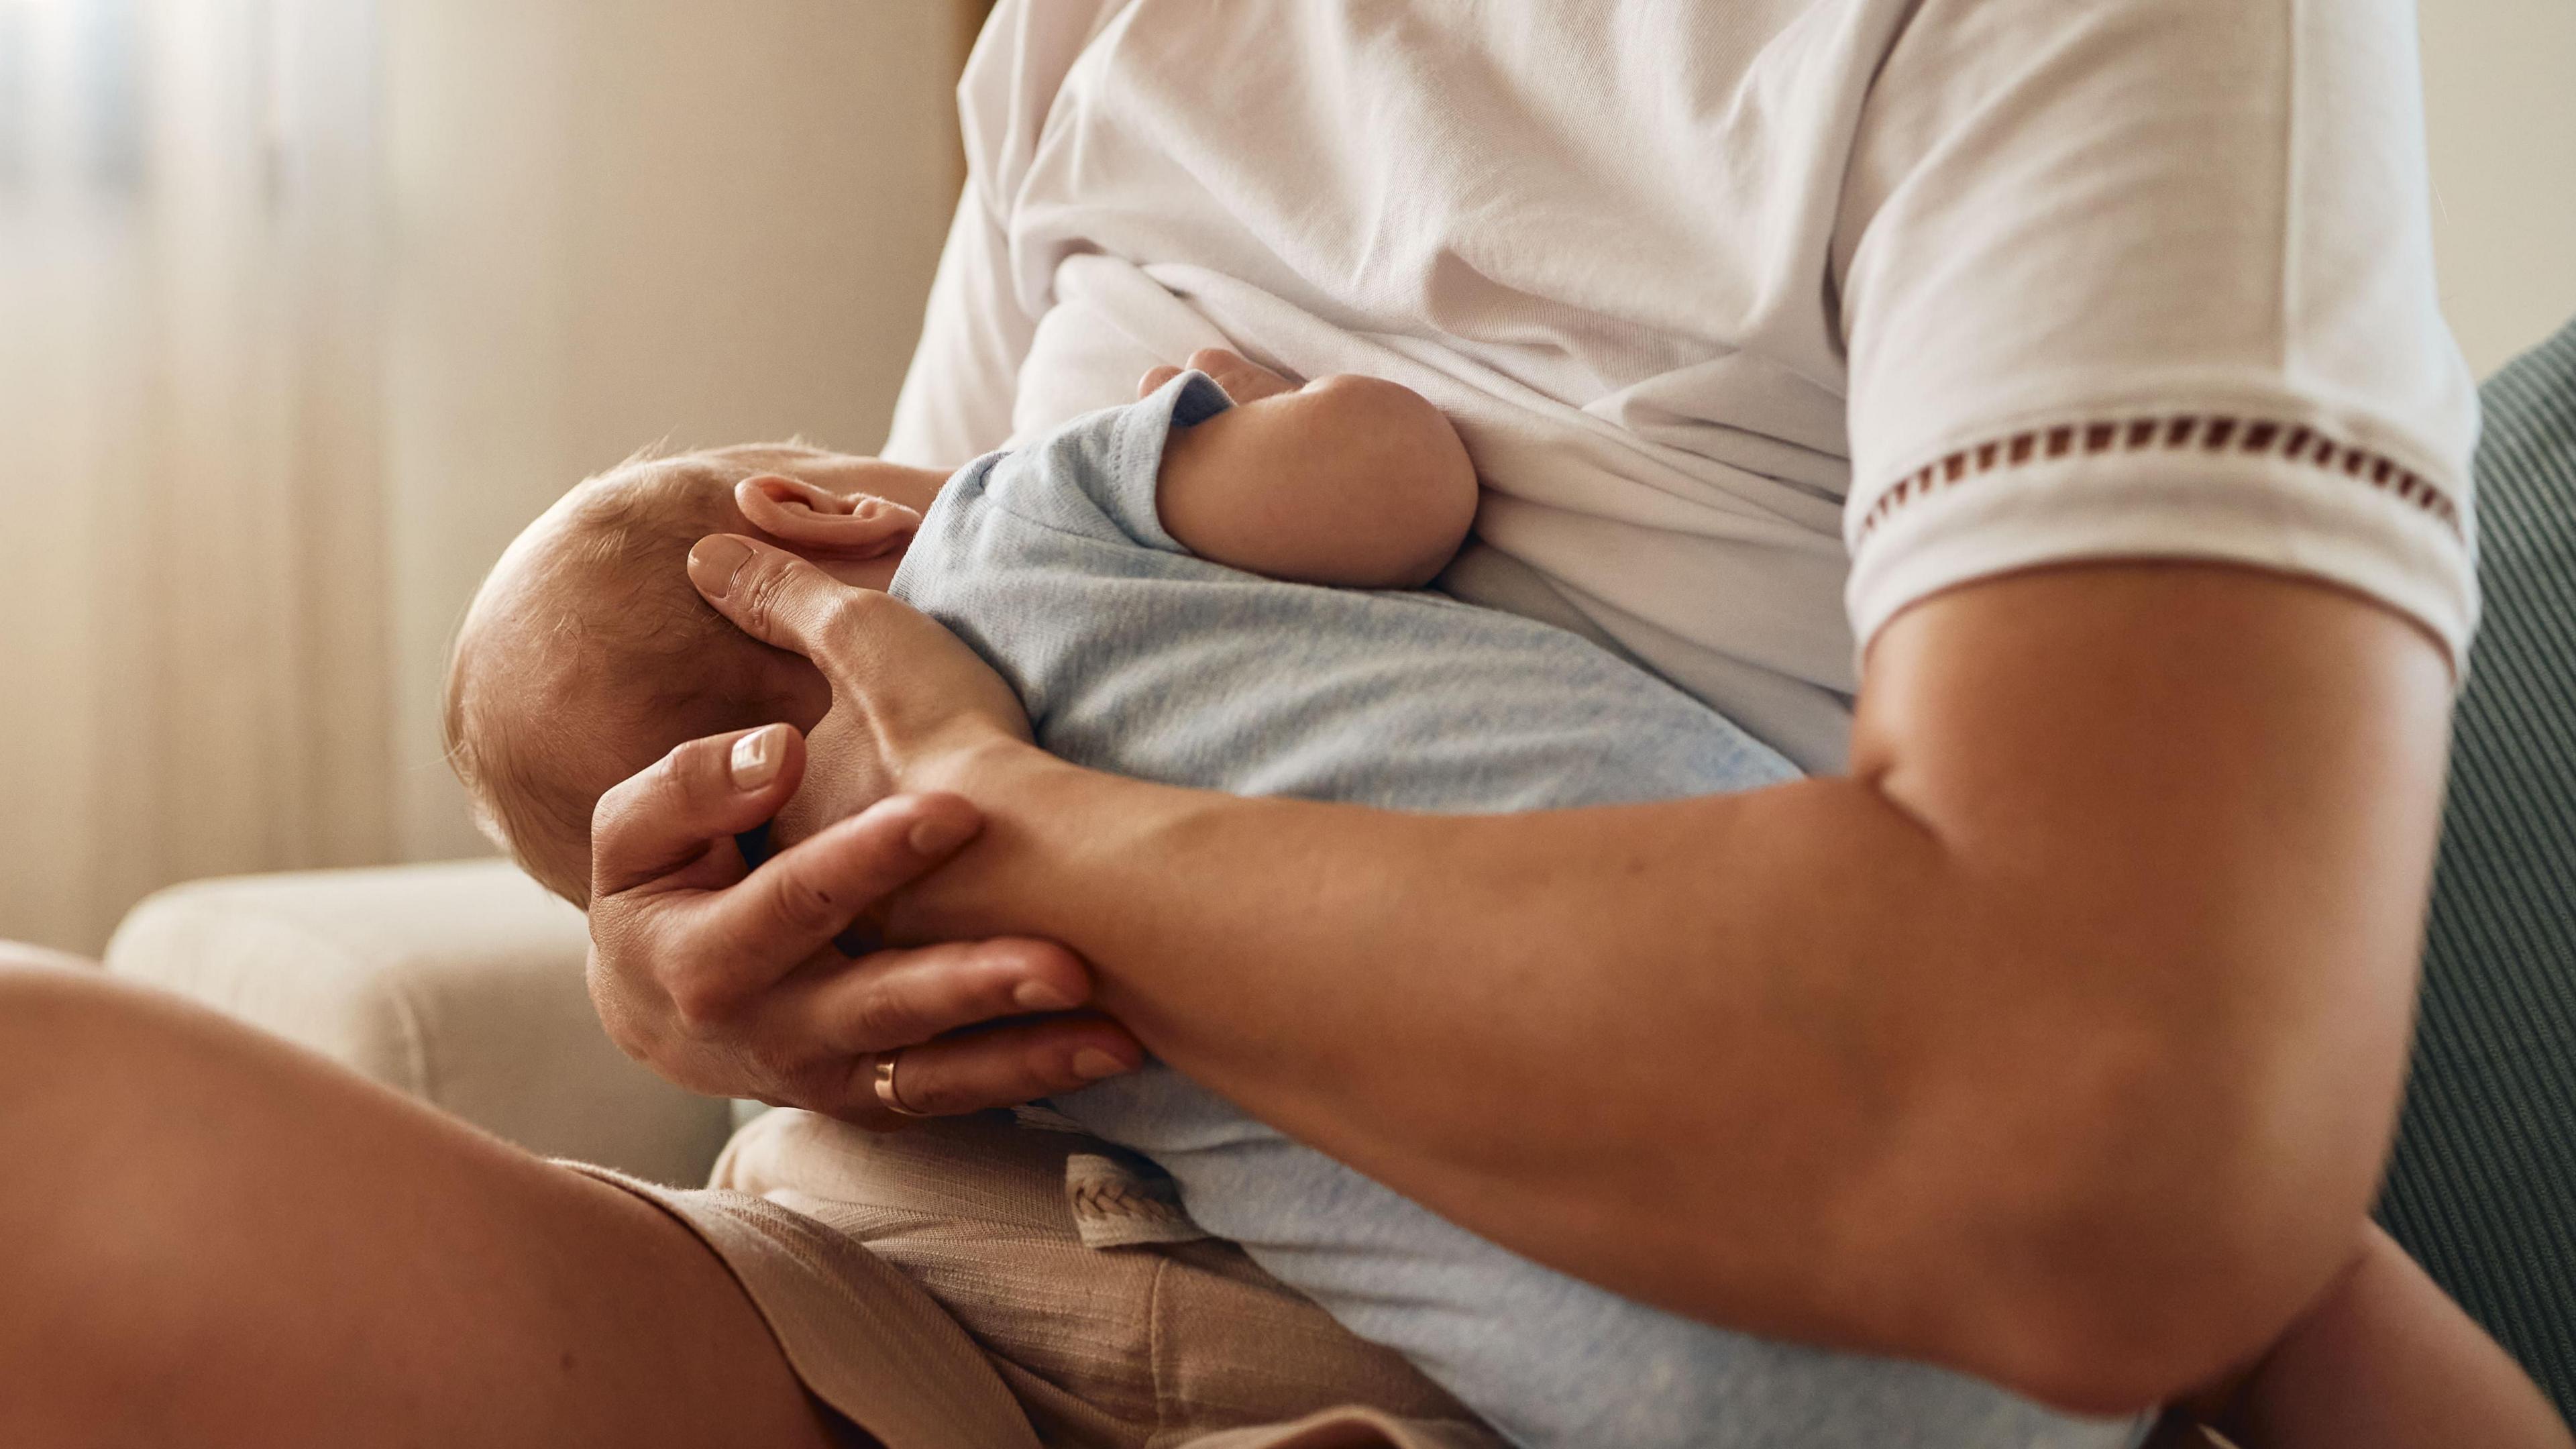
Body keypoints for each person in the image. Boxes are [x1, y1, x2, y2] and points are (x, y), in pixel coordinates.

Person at [5, 2, 2567, 1446]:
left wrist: (1019, 836)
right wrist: (704, 956)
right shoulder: (1088, 46)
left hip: (1508, 1353)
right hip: (884, 1294)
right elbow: (925, 615)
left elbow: (2123, 1147)